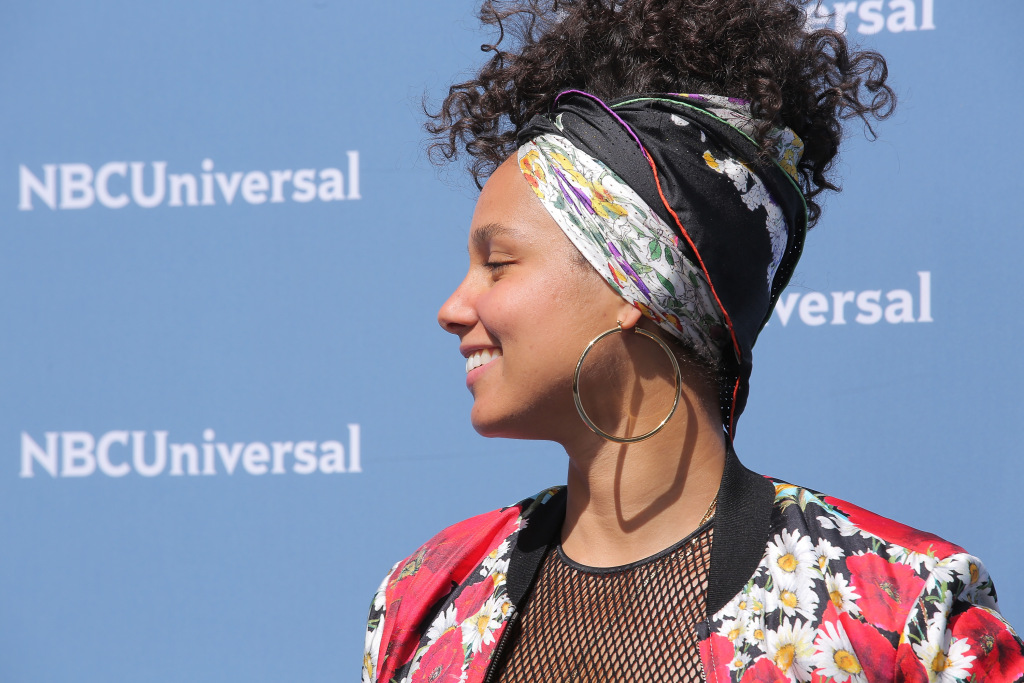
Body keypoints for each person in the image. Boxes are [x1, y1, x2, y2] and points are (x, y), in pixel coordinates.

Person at [362, 1, 1024, 681]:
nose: (452, 308)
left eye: (497, 263)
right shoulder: (426, 599)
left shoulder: (902, 618)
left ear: (633, 281)